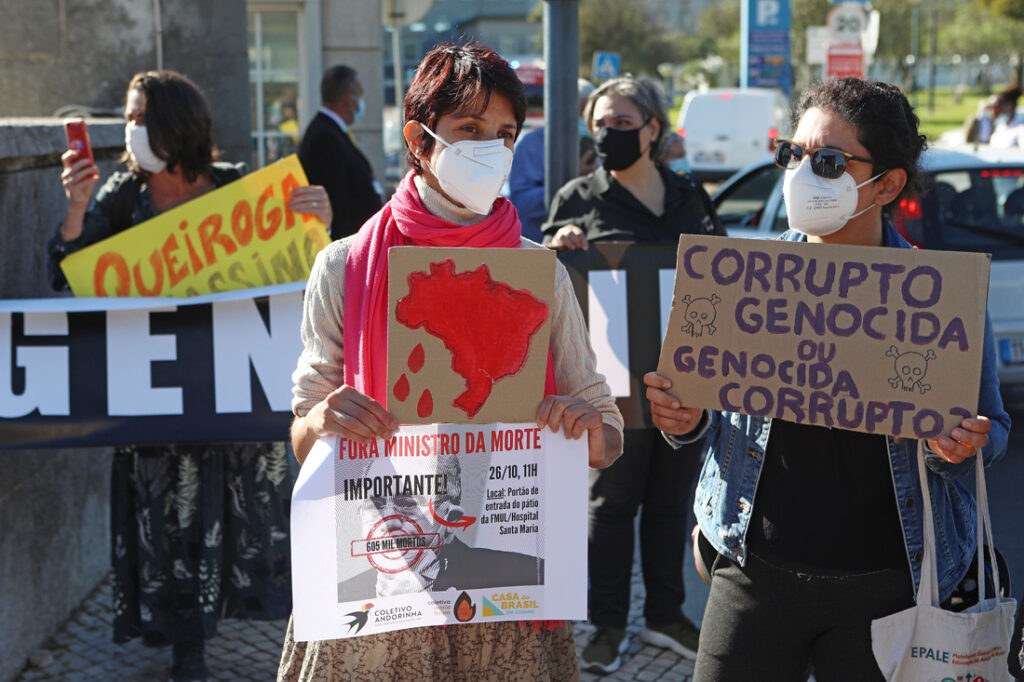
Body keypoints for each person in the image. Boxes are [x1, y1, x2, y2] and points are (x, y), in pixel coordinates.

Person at [644, 78, 1012, 681]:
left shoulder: (938, 297)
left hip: (889, 590)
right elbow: (707, 417)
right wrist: (685, 421)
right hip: (754, 574)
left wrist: (959, 446)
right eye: (793, 153)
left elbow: (991, 431)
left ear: (887, 184)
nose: (801, 173)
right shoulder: (744, 279)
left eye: (829, 162)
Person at [279, 43, 624, 681]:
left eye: (505, 134)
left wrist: (582, 425)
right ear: (419, 138)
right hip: (383, 584)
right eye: (470, 129)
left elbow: (605, 436)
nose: (490, 149)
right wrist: (324, 419)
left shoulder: (536, 273)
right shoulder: (346, 265)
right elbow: (304, 436)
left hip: (502, 589)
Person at [51, 69, 333, 682]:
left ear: (175, 125)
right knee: (168, 520)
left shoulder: (241, 192)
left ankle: (270, 625)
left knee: (229, 515)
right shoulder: (122, 196)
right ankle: (187, 645)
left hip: (231, 400)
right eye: (127, 117)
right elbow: (67, 279)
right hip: (155, 405)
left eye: (137, 117)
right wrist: (75, 213)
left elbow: (310, 276)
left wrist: (320, 225)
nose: (128, 130)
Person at [541, 76, 726, 674]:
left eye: (620, 122)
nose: (605, 133)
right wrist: (556, 243)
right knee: (612, 505)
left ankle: (666, 617)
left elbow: (723, 275)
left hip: (681, 386)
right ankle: (607, 625)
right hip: (610, 387)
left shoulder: (689, 197)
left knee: (674, 502)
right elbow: (547, 281)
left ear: (652, 128)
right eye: (598, 122)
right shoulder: (578, 197)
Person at [337, 453, 544, 601]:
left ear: (451, 520)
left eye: (409, 504)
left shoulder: (526, 576)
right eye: (376, 505)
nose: (389, 519)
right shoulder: (339, 593)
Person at [299, 65, 383, 241]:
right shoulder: (324, 138)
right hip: (345, 250)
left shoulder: (332, 131)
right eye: (359, 94)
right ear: (348, 99)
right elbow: (337, 204)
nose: (361, 100)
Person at [506, 78, 596, 242]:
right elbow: (522, 204)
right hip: (541, 246)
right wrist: (574, 181)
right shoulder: (532, 145)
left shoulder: (598, 144)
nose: (585, 119)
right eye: (582, 111)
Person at [987, 84, 1024, 148]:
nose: (993, 110)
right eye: (992, 106)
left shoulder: (1021, 128)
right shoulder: (1000, 127)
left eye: (997, 106)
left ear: (1010, 106)